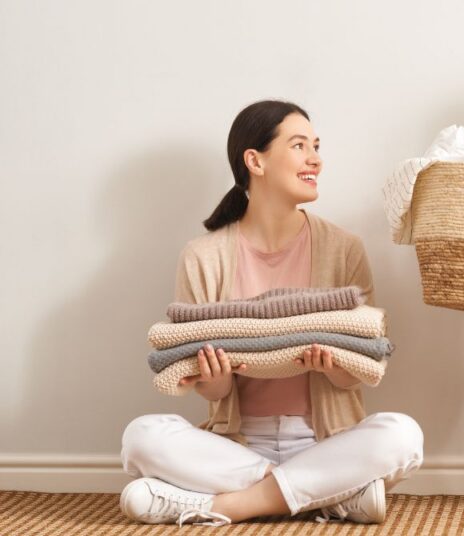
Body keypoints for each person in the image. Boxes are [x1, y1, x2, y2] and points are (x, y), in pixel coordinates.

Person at [119, 100, 423, 527]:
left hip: (325, 441)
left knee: (403, 435)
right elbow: (211, 391)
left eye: (316, 146)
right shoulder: (202, 256)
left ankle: (227, 506)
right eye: (299, 146)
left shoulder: (344, 248)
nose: (315, 158)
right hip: (236, 448)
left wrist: (335, 365)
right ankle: (327, 496)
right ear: (254, 161)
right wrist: (217, 375)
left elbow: (360, 368)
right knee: (141, 437)